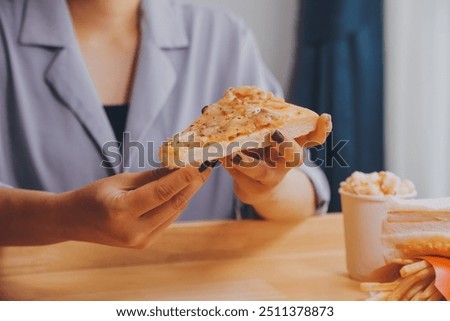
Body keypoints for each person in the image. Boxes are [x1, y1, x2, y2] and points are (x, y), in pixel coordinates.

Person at [0, 0, 330, 248]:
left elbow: (305, 194)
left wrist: (268, 188)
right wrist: (62, 218)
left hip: (196, 291)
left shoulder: (222, 35)